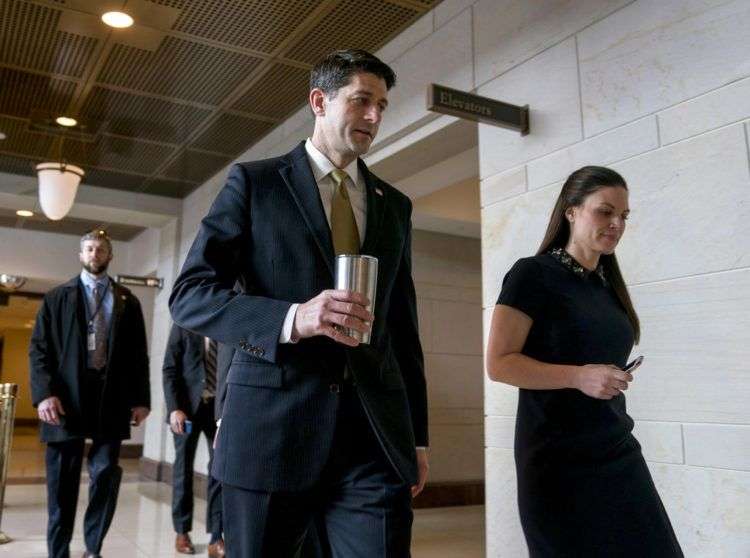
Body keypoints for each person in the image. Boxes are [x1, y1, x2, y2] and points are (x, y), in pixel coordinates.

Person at [169, 49, 428, 557]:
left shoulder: (394, 206)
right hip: (270, 430)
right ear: (319, 101)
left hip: (371, 439)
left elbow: (403, 328)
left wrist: (416, 436)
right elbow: (190, 295)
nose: (375, 117)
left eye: (382, 105)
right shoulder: (256, 183)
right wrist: (293, 318)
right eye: (361, 101)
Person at [486, 166, 683, 557]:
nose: (616, 224)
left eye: (623, 216)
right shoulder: (533, 274)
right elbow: (499, 363)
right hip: (556, 463)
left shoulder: (607, 286)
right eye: (605, 211)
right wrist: (579, 376)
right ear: (571, 211)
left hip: (616, 448)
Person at [29, 229, 151, 558]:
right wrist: (44, 395)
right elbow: (39, 350)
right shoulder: (57, 297)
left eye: (100, 250)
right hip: (65, 400)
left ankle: (93, 549)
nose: (94, 254)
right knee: (62, 487)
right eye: (89, 249)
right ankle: (59, 553)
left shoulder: (128, 300)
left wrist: (142, 399)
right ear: (80, 255)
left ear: (110, 256)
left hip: (110, 399)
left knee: (105, 476)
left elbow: (139, 354)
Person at [162, 324, 224, 556]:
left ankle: (216, 536)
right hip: (186, 409)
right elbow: (169, 368)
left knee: (219, 470)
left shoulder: (225, 323)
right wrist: (174, 408)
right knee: (183, 468)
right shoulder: (184, 324)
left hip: (217, 409)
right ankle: (181, 531)